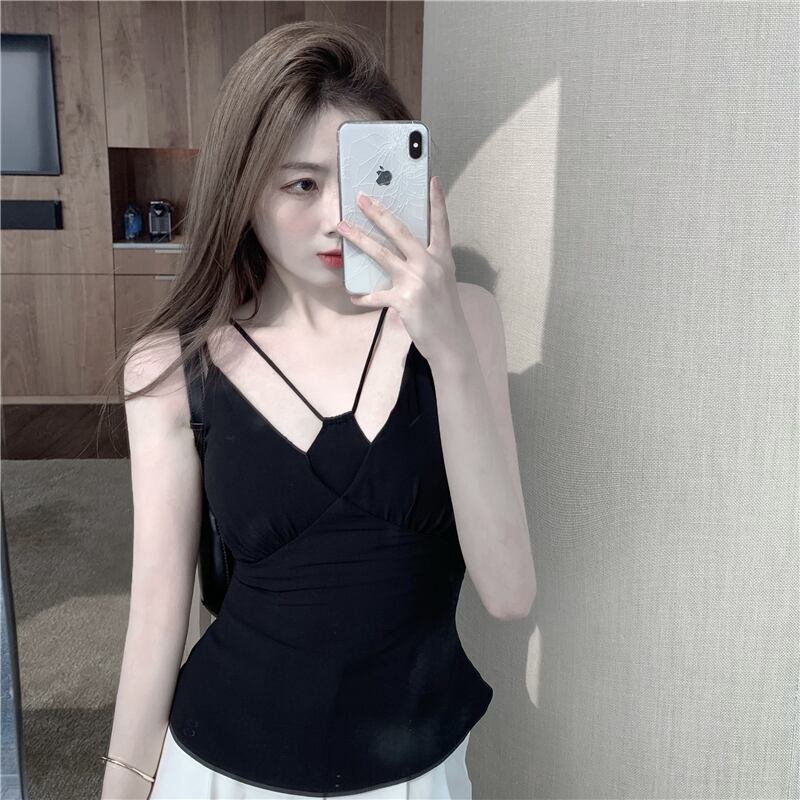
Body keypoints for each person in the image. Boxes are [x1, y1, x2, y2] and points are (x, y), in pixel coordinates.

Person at [98, 19, 535, 800]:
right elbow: (158, 615)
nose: (339, 216)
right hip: (220, 770)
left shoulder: (465, 321)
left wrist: (447, 350)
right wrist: (124, 785)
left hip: (415, 773)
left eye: (363, 178)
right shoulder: (172, 365)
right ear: (243, 192)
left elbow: (509, 592)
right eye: (300, 185)